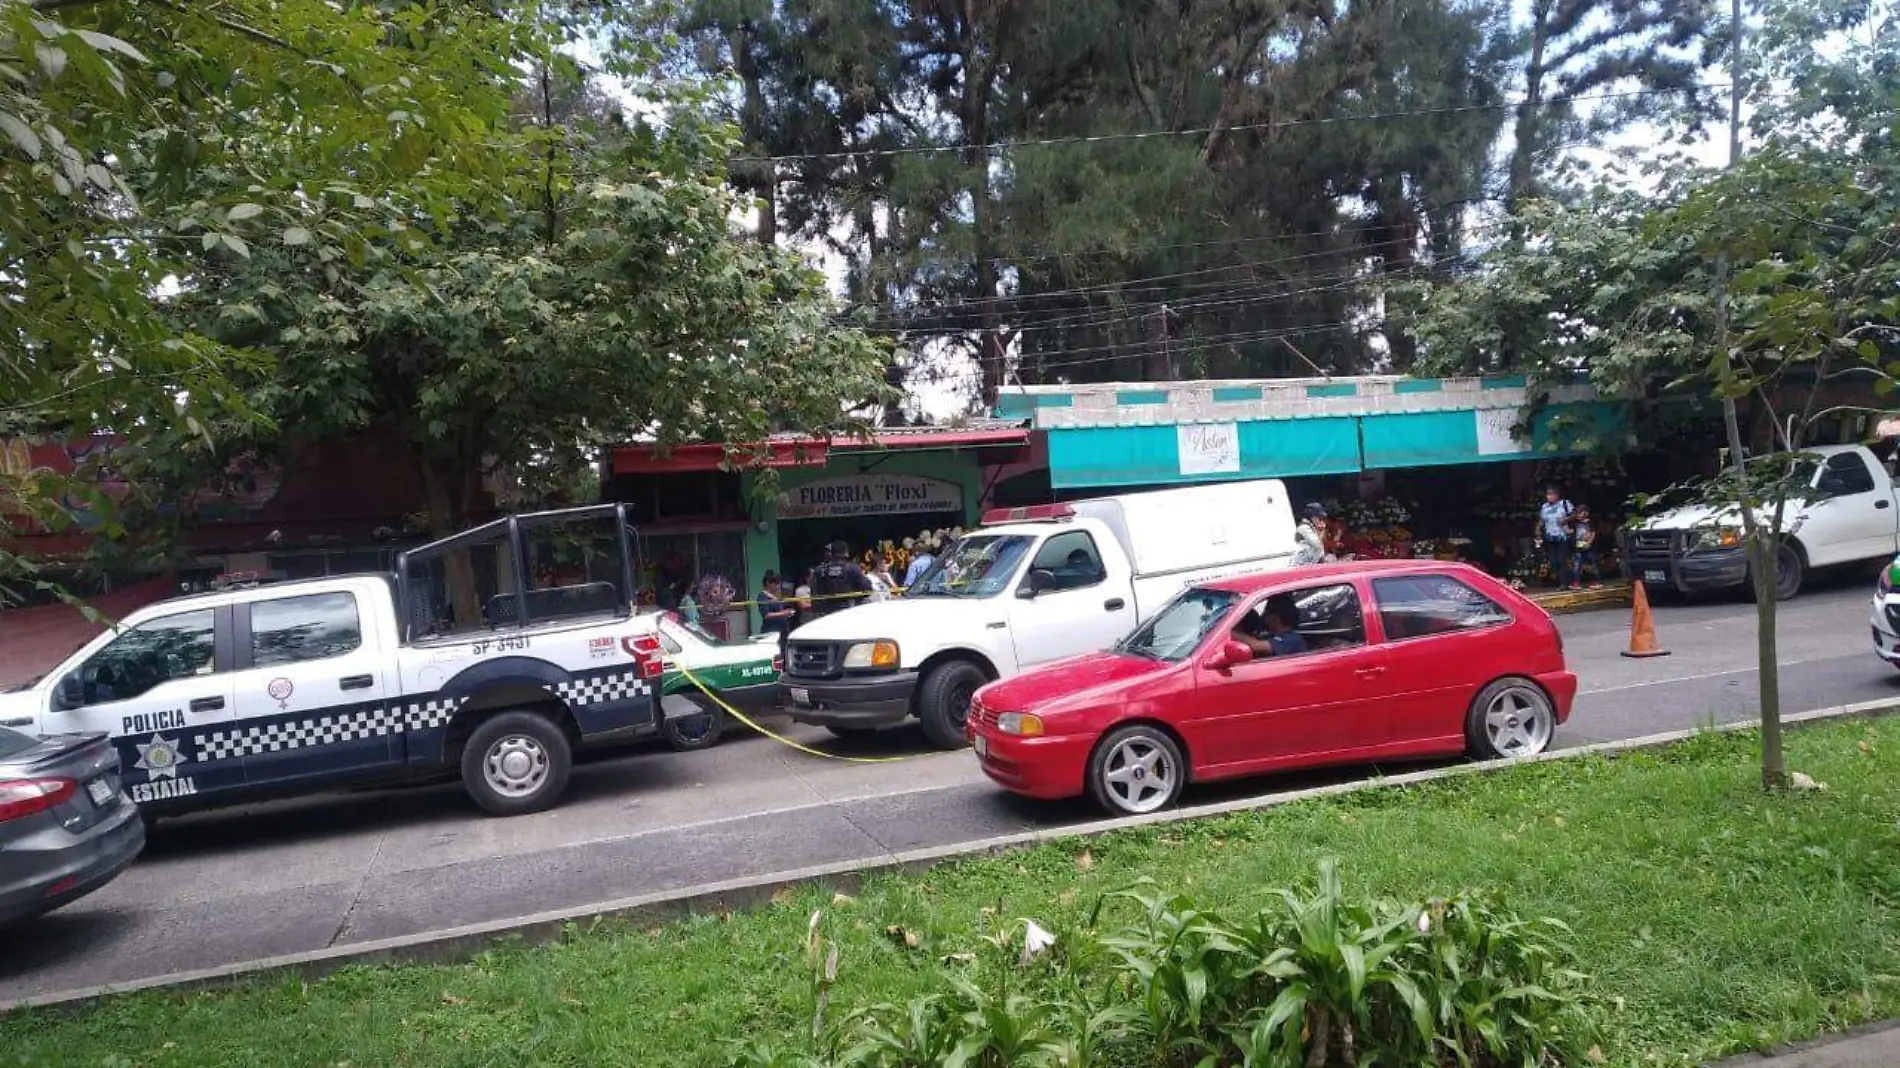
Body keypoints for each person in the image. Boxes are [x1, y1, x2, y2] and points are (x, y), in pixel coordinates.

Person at [810, 541, 873, 618]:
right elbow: (867, 589)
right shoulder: (853, 568)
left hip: (826, 613)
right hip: (849, 611)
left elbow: (814, 595)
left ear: (831, 553)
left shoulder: (819, 570)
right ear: (846, 553)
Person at [1233, 595, 1307, 658]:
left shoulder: (1293, 639)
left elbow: (1257, 646)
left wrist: (1229, 631)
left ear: (1274, 618)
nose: (1262, 617)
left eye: (1266, 614)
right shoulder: (1271, 635)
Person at [1536, 485, 1574, 588]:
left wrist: (1566, 520)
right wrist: (1538, 530)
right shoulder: (1544, 507)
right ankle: (1558, 580)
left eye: (1552, 494)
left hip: (1563, 536)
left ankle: (1564, 583)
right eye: (1548, 494)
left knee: (1562, 560)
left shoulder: (1565, 504)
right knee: (1553, 561)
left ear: (1557, 495)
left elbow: (1575, 515)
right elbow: (1542, 520)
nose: (1550, 497)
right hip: (1550, 537)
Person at [756, 571, 796, 647]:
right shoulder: (763, 596)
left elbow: (778, 611)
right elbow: (766, 615)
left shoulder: (774, 596)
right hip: (771, 631)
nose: (778, 586)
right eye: (776, 584)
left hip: (781, 630)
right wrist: (784, 613)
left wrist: (787, 612)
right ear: (768, 583)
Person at [1567, 506, 1602, 591]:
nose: (1579, 515)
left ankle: (1595, 581)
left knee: (1592, 565)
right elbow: (1568, 528)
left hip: (1589, 547)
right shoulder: (1575, 523)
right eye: (1577, 513)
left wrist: (1589, 542)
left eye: (1580, 513)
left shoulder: (1590, 522)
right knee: (1577, 565)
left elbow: (1593, 533)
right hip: (1578, 547)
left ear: (1586, 513)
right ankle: (1576, 582)